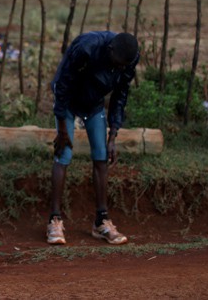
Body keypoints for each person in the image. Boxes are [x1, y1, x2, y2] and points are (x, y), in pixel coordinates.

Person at [46, 31, 139, 246]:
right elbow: (63, 84)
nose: (121, 69)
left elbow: (120, 96)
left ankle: (101, 221)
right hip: (69, 102)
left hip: (94, 105)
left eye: (124, 66)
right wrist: (62, 128)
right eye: (118, 64)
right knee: (64, 153)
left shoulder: (129, 58)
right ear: (110, 51)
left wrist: (113, 135)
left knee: (101, 156)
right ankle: (55, 219)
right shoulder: (86, 48)